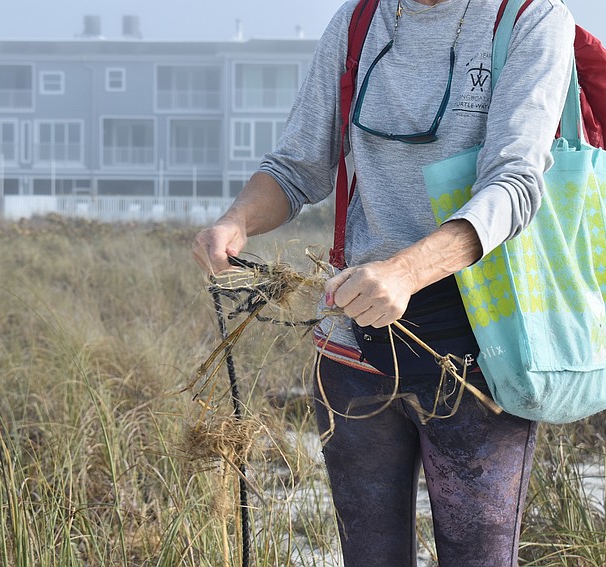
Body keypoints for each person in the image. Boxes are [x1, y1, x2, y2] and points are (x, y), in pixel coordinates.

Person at [192, 0, 575, 564]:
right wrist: (236, 220)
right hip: (353, 355)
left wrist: (405, 273)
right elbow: (297, 167)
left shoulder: (529, 18)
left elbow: (514, 183)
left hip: (479, 357)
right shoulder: (359, 19)